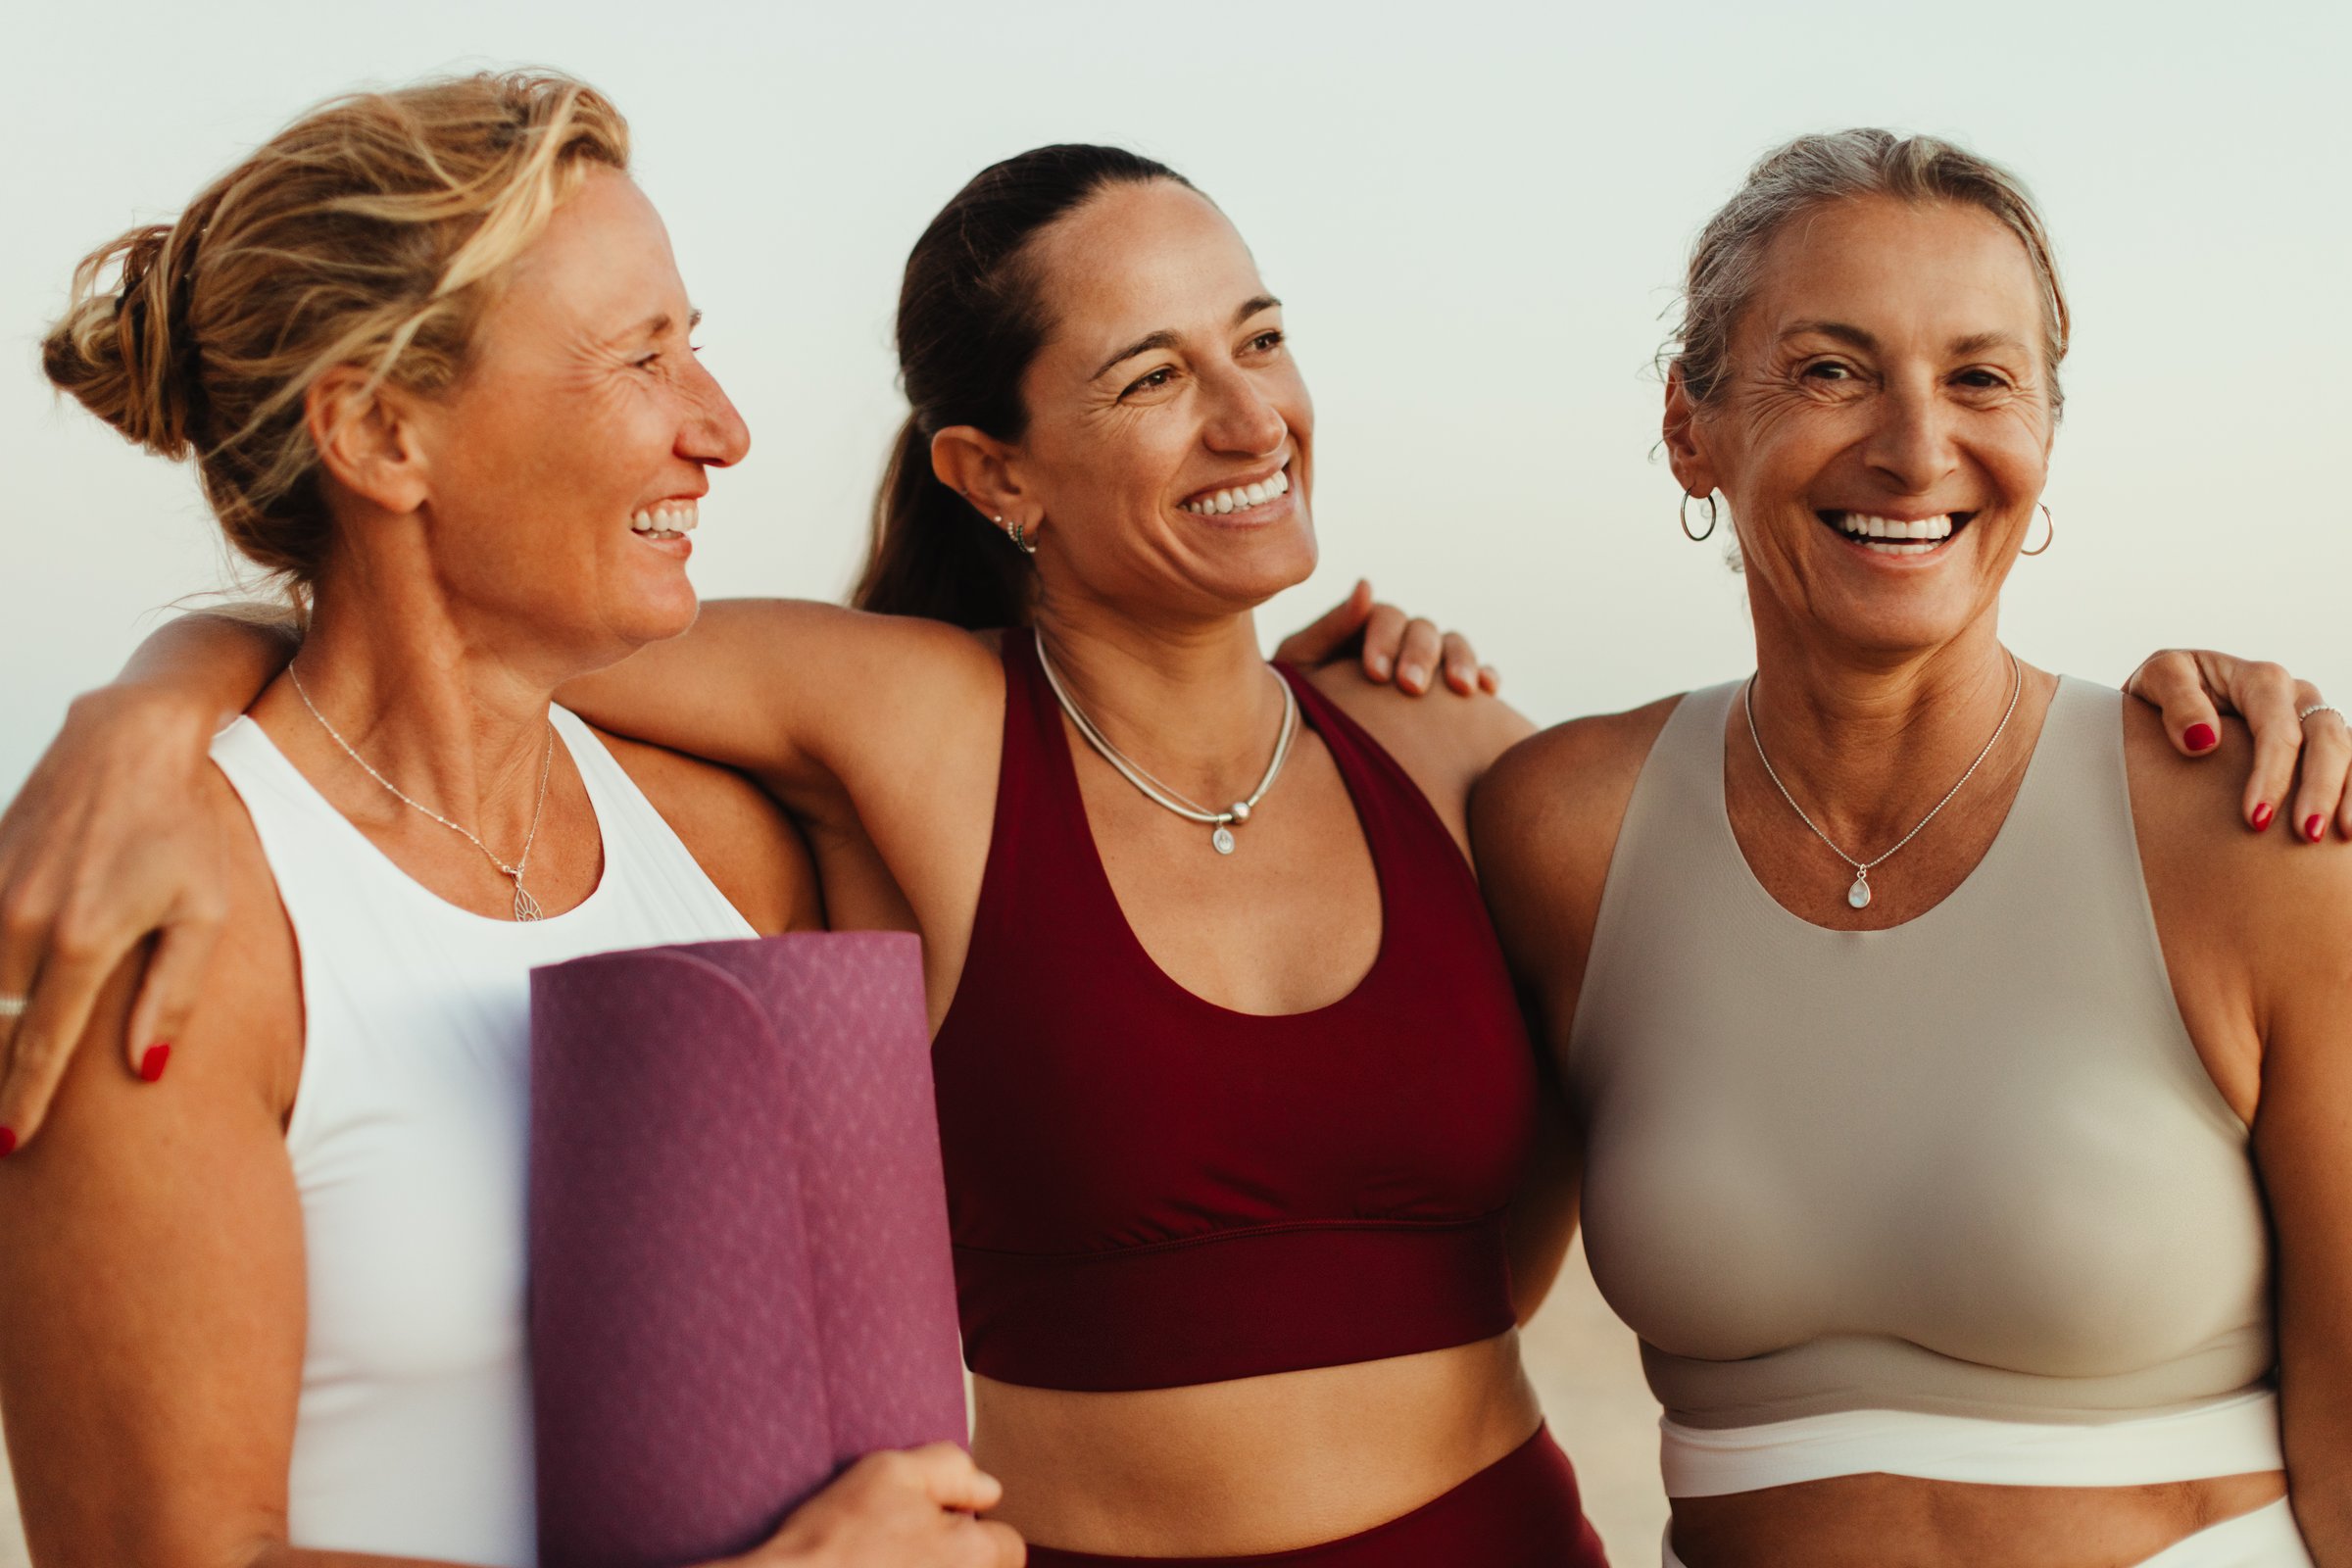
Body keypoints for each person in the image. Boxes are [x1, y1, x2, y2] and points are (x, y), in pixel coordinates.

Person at [0, 129, 2334, 1563]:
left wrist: (2213, 731)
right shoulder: (905, 724)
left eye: (1262, 337)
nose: (1249, 415)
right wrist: (153, 699)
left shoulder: (1464, 768)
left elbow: (1773, 1040)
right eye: (1147, 378)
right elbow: (454, 620)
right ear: (990, 474)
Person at [0, 72, 1032, 1568]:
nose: (722, 428)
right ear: (380, 435)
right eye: (641, 359)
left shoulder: (732, 848)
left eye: (701, 348)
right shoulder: (182, 918)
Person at [1473, 129, 2351, 1567]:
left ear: (2046, 437)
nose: (1916, 444)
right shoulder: (1558, 829)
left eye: (1982, 378)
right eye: (1830, 369)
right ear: (1690, 424)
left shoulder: (2251, 831)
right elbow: (1419, 1302)